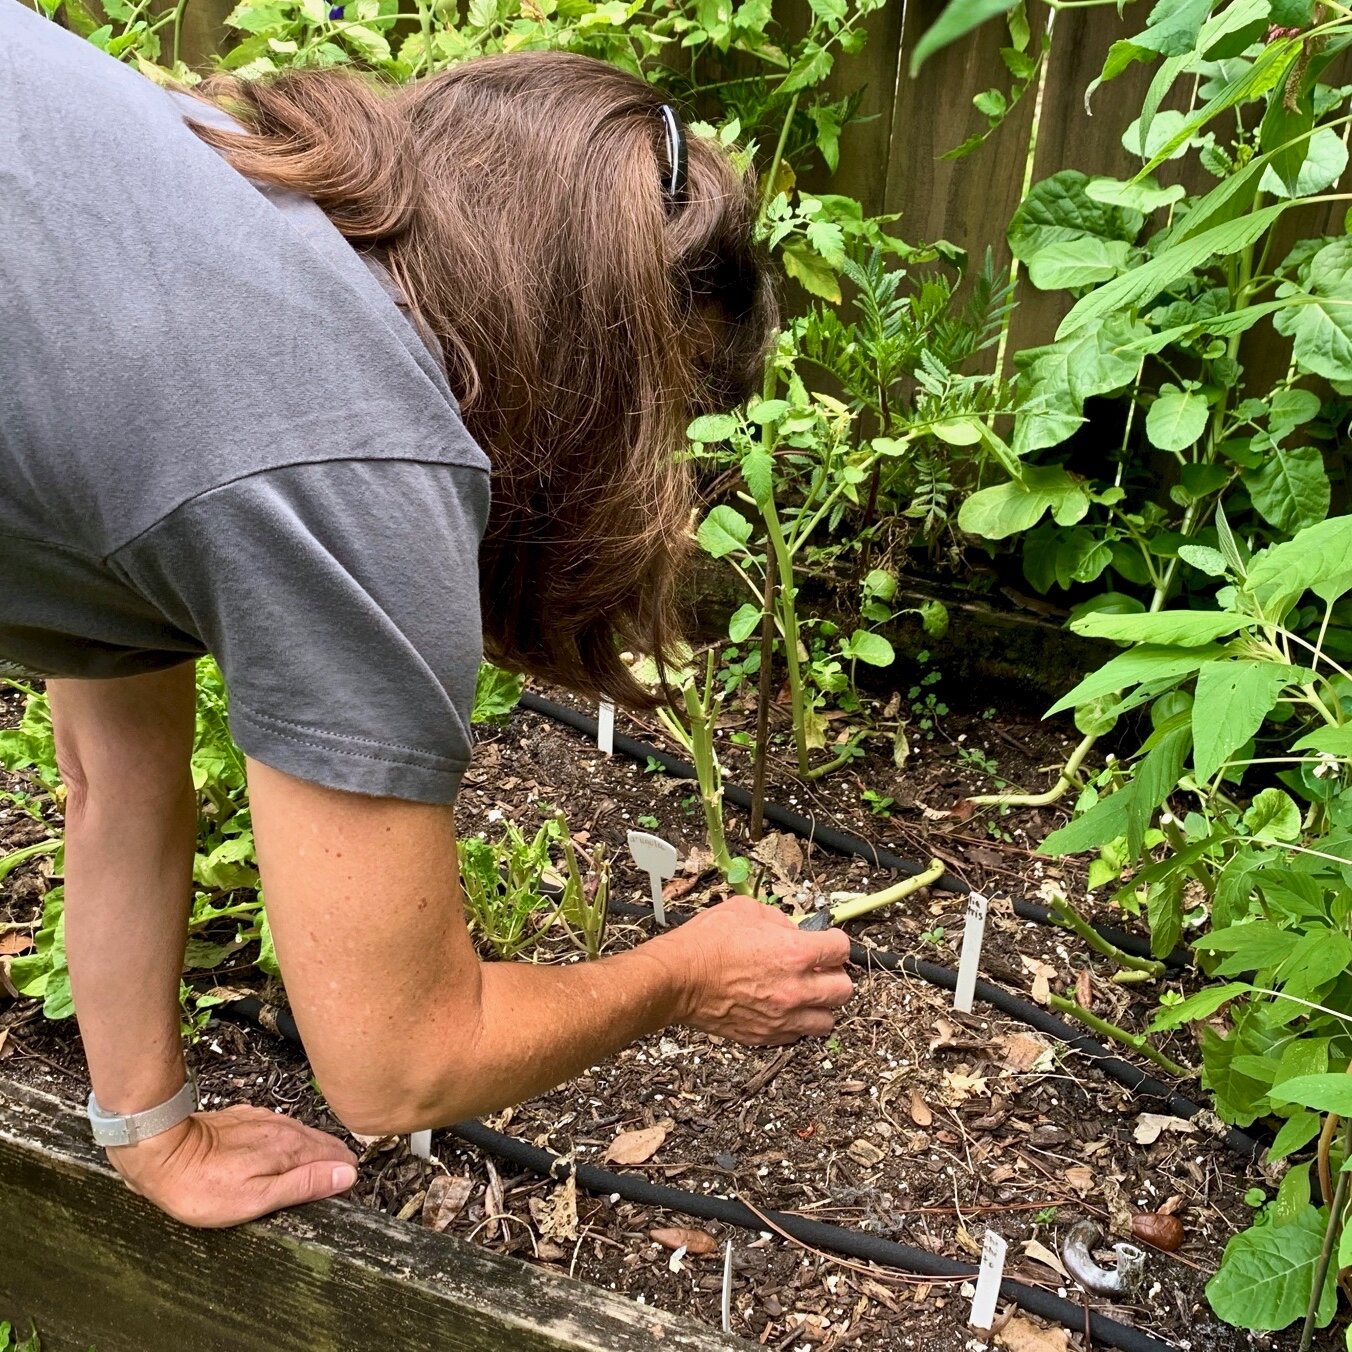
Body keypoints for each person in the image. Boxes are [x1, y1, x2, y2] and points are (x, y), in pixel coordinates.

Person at [0, 1, 854, 1228]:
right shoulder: (361, 453)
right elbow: (398, 1063)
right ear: (590, 372)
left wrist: (148, 1126)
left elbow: (113, 771)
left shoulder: (218, 208)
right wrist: (681, 974)